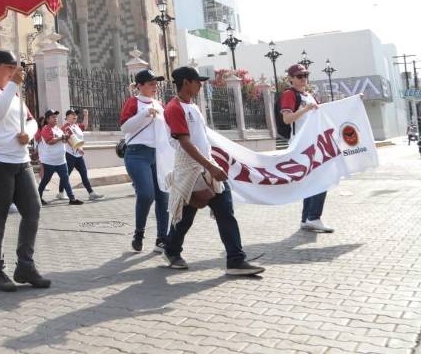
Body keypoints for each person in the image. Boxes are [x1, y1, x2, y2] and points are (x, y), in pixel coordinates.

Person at [162, 67, 264, 276]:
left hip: (206, 165)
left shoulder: (193, 106)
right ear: (186, 82)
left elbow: (201, 139)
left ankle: (235, 260)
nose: (201, 85)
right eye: (197, 81)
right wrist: (210, 166)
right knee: (185, 217)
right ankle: (171, 249)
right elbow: (185, 143)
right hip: (189, 169)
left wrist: (211, 163)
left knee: (225, 211)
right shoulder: (174, 108)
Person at [0, 50, 48, 292]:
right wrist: (13, 84)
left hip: (20, 160)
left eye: (16, 67)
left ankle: (25, 265)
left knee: (33, 209)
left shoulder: (14, 94)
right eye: (9, 67)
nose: (15, 71)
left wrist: (29, 134)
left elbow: (31, 120)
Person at [120, 69, 174, 253]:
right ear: (139, 86)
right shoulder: (133, 102)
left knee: (163, 196)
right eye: (151, 83)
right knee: (146, 194)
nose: (154, 87)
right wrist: (143, 113)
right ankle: (139, 233)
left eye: (155, 83)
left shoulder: (159, 104)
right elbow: (125, 128)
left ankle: (162, 238)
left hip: (158, 155)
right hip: (137, 154)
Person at [281, 63, 332, 233]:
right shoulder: (290, 94)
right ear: (290, 79)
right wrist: (306, 109)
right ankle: (313, 217)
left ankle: (306, 219)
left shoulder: (308, 95)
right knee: (322, 179)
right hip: (301, 145)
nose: (303, 79)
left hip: (313, 144)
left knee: (312, 181)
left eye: (305, 75)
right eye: (299, 76)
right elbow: (287, 119)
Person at [36, 110, 83, 206]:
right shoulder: (46, 129)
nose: (56, 119)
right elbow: (50, 141)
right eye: (53, 117)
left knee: (65, 179)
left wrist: (76, 147)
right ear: (48, 119)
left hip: (61, 160)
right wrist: (61, 138)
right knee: (46, 180)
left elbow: (64, 140)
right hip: (50, 161)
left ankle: (72, 199)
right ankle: (38, 197)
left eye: (56, 117)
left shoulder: (57, 129)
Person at [58, 109, 102, 202]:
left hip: (78, 155)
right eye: (72, 114)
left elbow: (84, 125)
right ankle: (61, 192)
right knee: (66, 174)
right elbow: (69, 140)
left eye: (76, 114)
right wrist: (78, 148)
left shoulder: (76, 126)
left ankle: (91, 193)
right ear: (67, 117)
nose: (75, 116)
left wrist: (86, 115)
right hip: (70, 154)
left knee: (83, 173)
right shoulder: (66, 127)